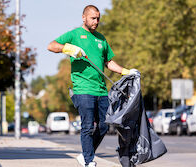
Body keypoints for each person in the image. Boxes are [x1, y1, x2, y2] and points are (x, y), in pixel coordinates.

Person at [47, 5, 136, 167]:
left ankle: (86, 155)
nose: (96, 21)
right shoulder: (74, 34)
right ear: (84, 18)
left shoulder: (101, 39)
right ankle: (89, 161)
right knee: (87, 126)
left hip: (101, 90)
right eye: (93, 18)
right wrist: (68, 48)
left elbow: (109, 62)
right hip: (83, 89)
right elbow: (51, 45)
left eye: (98, 18)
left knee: (103, 126)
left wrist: (126, 71)